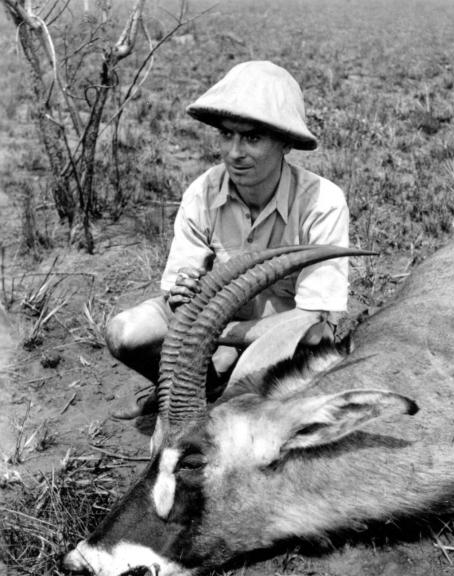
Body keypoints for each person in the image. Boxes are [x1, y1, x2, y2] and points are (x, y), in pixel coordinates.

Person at [107, 60, 349, 419]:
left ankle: (222, 387)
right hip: (216, 327)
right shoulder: (202, 191)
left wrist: (215, 331)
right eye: (227, 135)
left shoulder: (322, 202)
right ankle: (197, 391)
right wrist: (183, 299)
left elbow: (309, 321)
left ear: (286, 143)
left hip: (276, 338)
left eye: (252, 138)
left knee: (310, 344)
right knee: (126, 332)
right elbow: (179, 294)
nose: (235, 152)